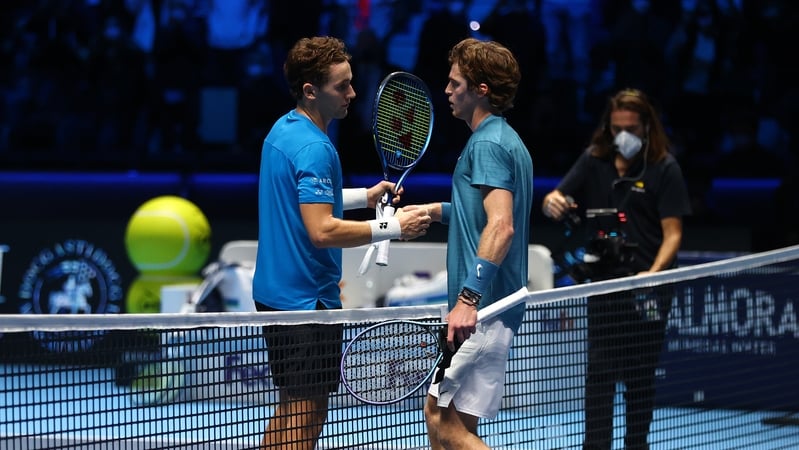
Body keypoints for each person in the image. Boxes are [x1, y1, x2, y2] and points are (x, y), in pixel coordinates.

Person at [251, 36, 431, 450]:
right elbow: (322, 231)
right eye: (342, 86)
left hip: (276, 294)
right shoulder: (316, 147)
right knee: (306, 410)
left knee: (294, 405)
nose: (353, 93)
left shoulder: (285, 129)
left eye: (351, 82)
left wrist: (363, 198)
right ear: (311, 90)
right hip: (305, 301)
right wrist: (393, 228)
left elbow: (301, 201)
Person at [541, 88, 691, 450]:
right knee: (600, 373)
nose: (623, 134)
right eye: (617, 126)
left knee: (640, 376)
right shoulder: (594, 160)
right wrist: (552, 203)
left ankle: (635, 445)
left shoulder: (664, 167)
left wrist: (654, 274)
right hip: (603, 285)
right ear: (608, 126)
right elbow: (554, 198)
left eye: (631, 127)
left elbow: (673, 233)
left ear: (646, 128)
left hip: (648, 288)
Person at [404, 37, 533, 449]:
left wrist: (468, 299)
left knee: (439, 419)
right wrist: (434, 210)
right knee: (456, 425)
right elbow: (481, 210)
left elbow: (501, 226)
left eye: (455, 82)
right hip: (494, 308)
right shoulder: (504, 139)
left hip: (485, 309)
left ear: (481, 90)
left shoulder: (489, 144)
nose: (446, 90)